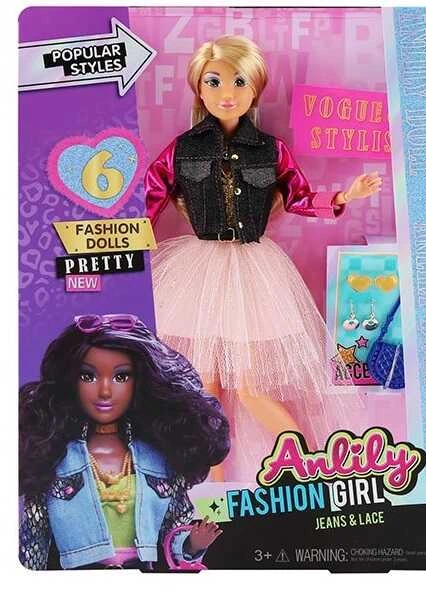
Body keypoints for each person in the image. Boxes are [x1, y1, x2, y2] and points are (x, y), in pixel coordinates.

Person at [145, 36, 382, 481]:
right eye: (213, 82)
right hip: (198, 273)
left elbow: (299, 196)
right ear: (199, 88)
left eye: (239, 82)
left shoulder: (270, 149)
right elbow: (150, 199)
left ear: (255, 89)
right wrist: (120, 241)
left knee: (250, 387)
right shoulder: (182, 148)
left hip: (253, 270)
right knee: (204, 391)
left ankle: (309, 468)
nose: (226, 93)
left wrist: (344, 196)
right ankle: (213, 494)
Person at [19, 314, 230, 570]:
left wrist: (193, 545)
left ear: (140, 380)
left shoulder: (157, 459)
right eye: (88, 376)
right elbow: (34, 538)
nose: (105, 391)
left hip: (139, 572)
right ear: (70, 379)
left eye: (121, 377)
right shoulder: (54, 456)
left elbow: (175, 527)